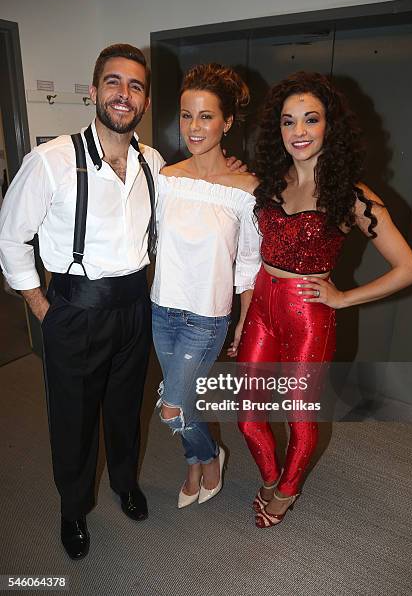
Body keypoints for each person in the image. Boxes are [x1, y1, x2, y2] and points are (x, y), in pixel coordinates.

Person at [0, 44, 243, 559]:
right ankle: (72, 509)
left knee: (127, 408)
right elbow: (9, 239)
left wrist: (231, 170)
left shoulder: (154, 163)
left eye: (134, 86)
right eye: (113, 82)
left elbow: (207, 194)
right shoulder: (51, 161)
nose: (123, 94)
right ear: (94, 91)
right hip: (75, 306)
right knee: (73, 418)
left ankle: (126, 484)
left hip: (138, 305)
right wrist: (42, 307)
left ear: (145, 100)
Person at [235, 72, 412, 528]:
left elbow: (409, 268)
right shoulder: (268, 183)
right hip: (261, 304)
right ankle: (270, 475)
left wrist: (343, 297)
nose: (298, 131)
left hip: (308, 315)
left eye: (310, 120)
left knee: (300, 419)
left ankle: (287, 491)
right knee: (246, 416)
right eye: (287, 122)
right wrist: (242, 318)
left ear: (329, 126)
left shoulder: (352, 196)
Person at [151, 63, 261, 508]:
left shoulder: (247, 188)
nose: (193, 127)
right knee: (188, 400)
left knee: (171, 407)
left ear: (227, 122)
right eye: (185, 115)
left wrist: (244, 322)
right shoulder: (166, 179)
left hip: (207, 316)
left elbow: (250, 264)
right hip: (161, 310)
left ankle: (210, 455)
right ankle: (198, 462)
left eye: (206, 116)